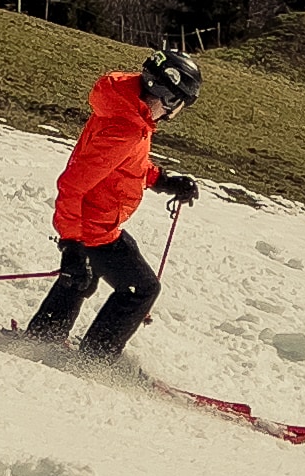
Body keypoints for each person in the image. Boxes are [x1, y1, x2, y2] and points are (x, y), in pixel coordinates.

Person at [26, 48, 202, 358]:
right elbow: (72, 185)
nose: (176, 114)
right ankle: (97, 357)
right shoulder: (126, 129)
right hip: (91, 226)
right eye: (180, 105)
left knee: (83, 279)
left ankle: (43, 336)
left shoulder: (128, 110)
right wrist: (71, 245)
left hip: (95, 221)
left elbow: (124, 167)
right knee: (142, 290)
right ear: (169, 98)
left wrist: (163, 180)